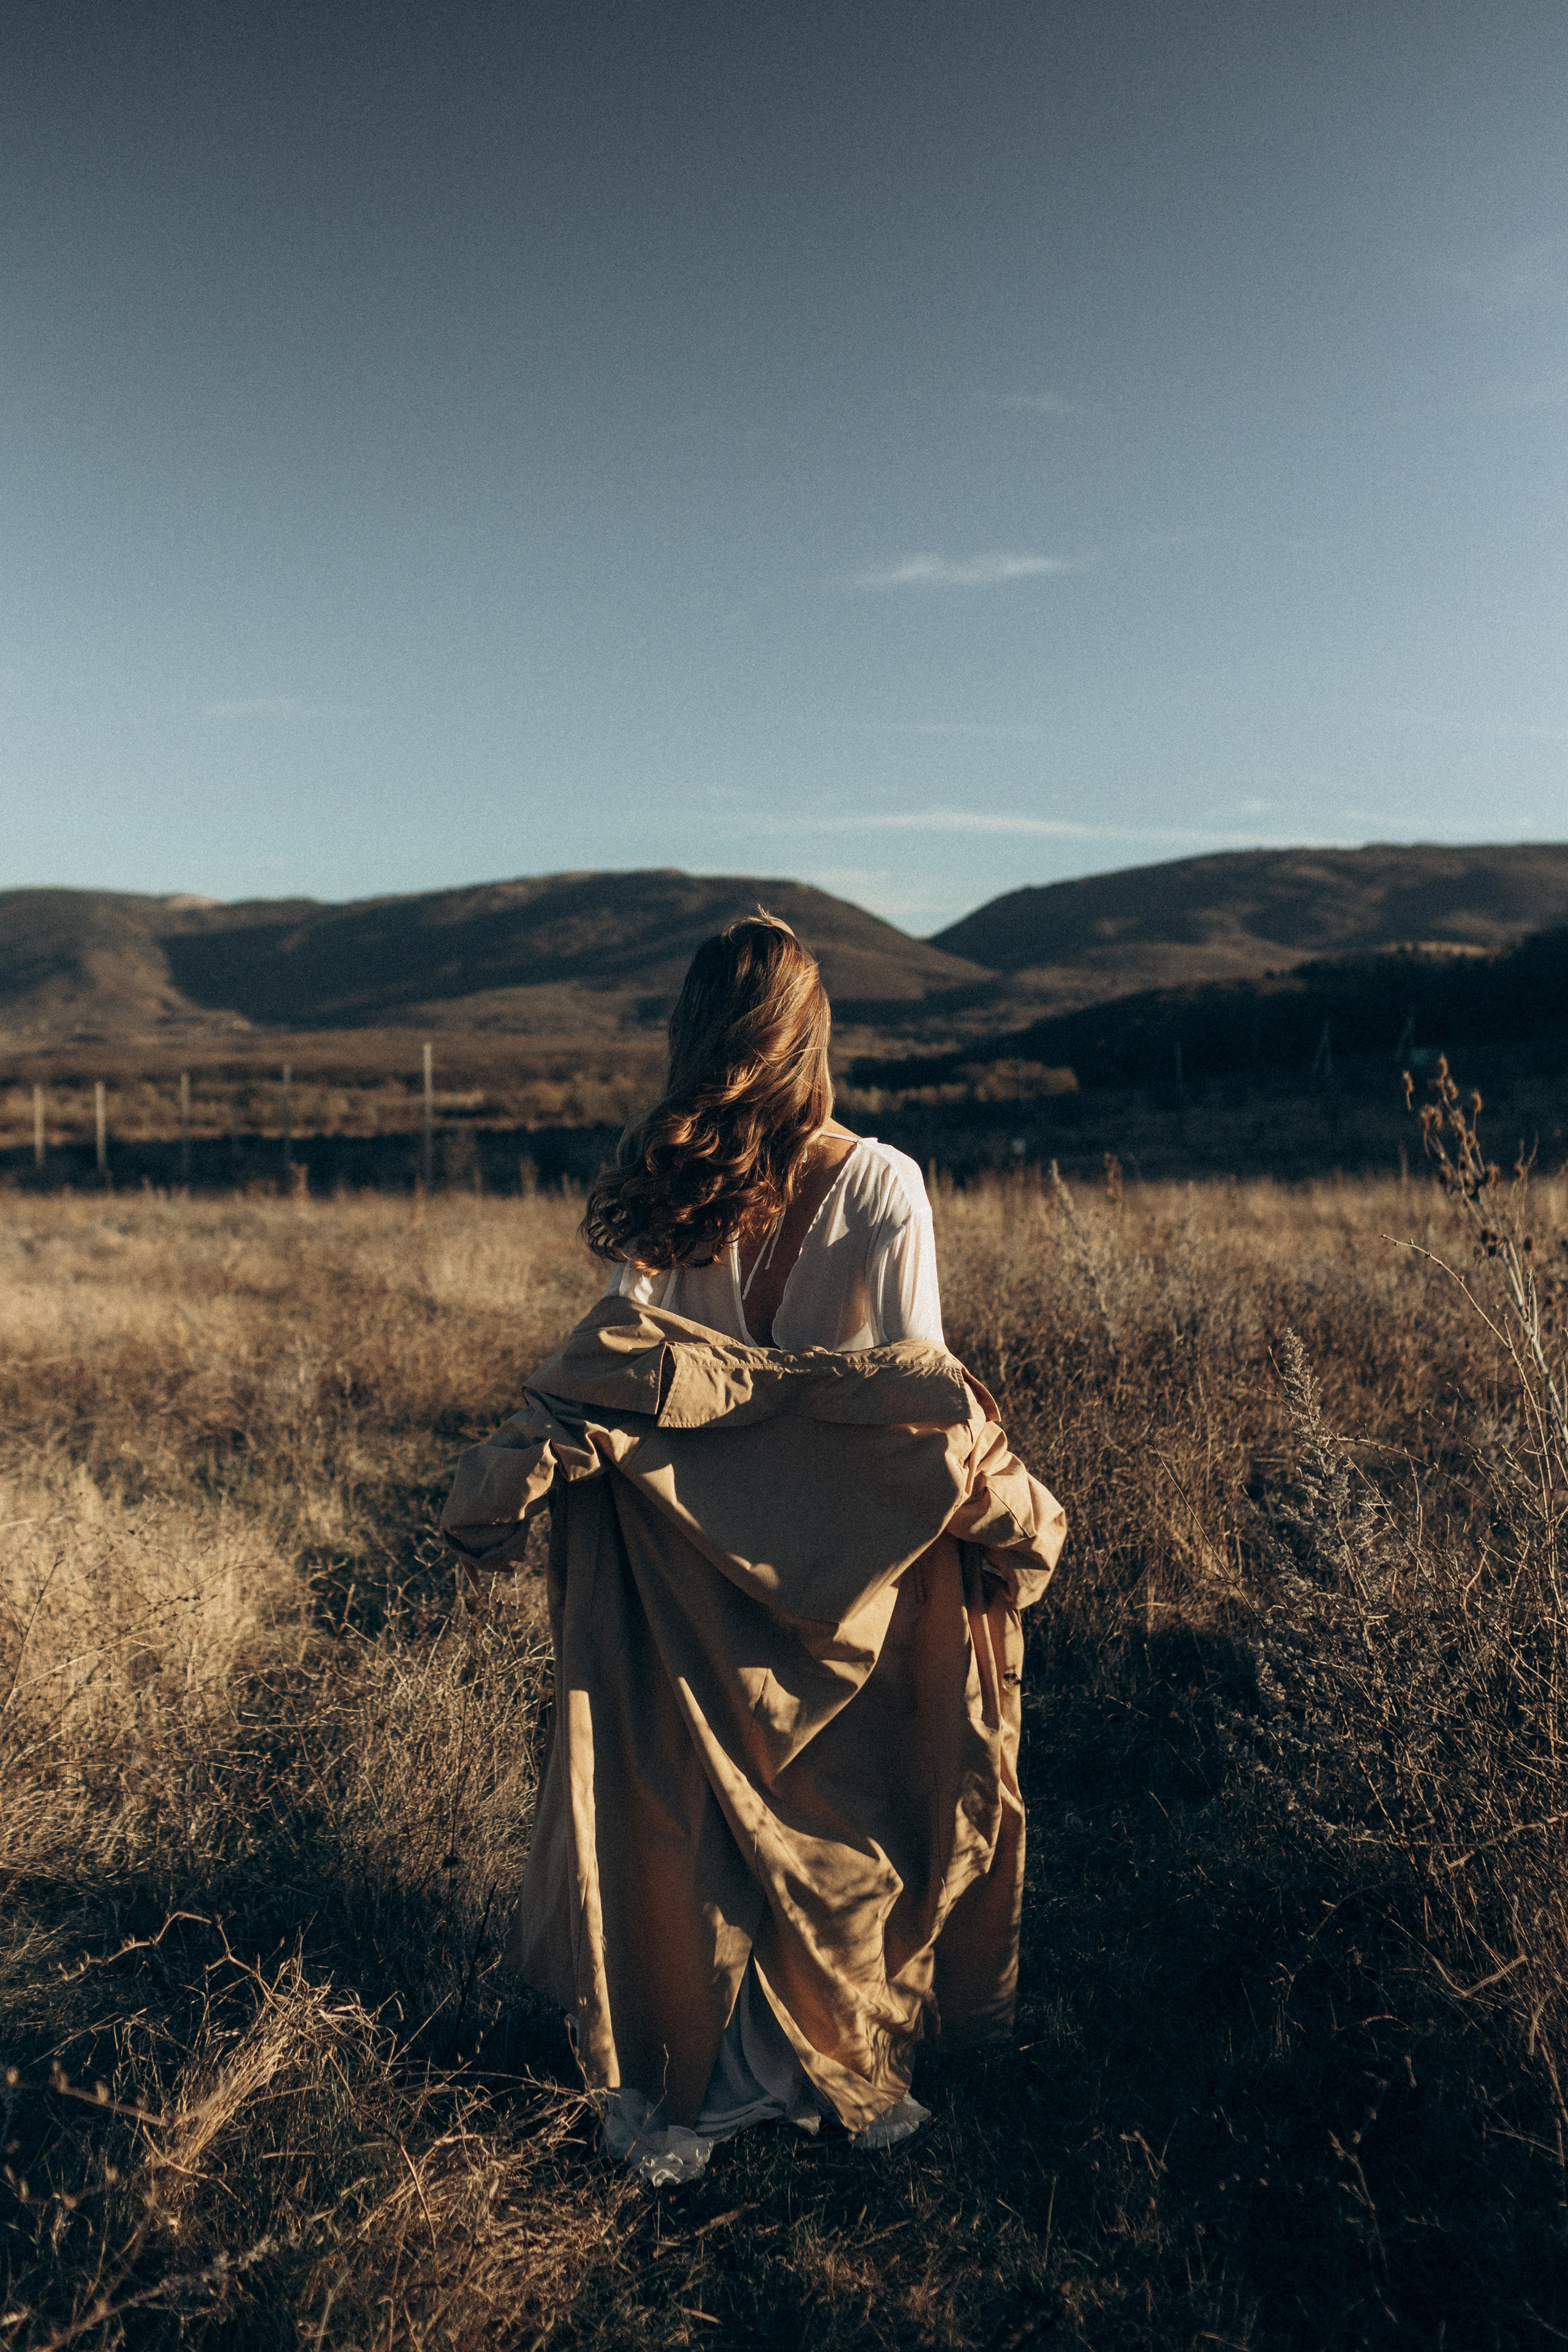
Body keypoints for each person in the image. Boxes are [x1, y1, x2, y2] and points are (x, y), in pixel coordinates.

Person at [442, 913, 1066, 2187]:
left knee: (691, 1815)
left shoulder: (656, 1179)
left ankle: (690, 2065)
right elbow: (909, 1397)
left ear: (695, 1035)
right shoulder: (881, 1181)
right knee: (837, 1803)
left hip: (681, 1560)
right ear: (806, 1032)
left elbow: (616, 1370)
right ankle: (812, 2055)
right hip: (840, 1562)